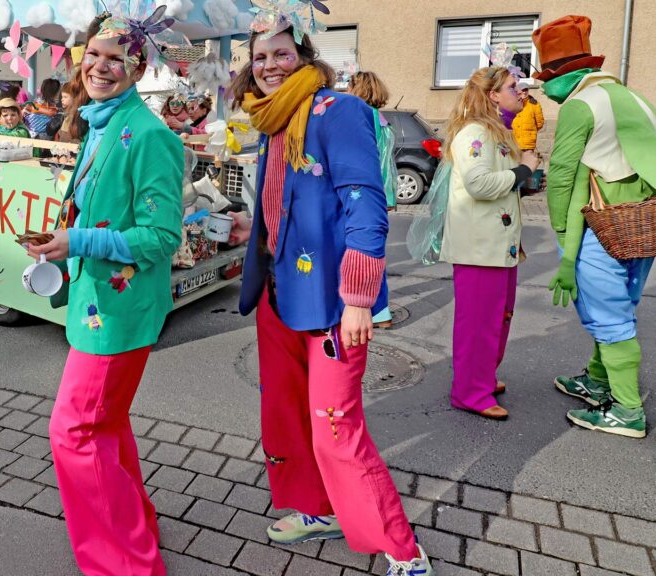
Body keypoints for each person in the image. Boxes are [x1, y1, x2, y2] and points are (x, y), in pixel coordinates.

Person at [225, 18, 433, 575]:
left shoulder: (337, 111)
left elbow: (365, 202)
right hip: (278, 291)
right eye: (260, 55)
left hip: (332, 299)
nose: (270, 64)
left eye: (281, 53)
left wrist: (361, 297)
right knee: (285, 414)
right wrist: (256, 232)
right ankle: (317, 509)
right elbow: (288, 201)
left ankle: (402, 550)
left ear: (304, 55)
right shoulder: (272, 118)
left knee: (336, 426)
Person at [25, 11, 183, 576]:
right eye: (94, 54)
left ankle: (125, 563)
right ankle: (135, 528)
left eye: (117, 57)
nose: (101, 65)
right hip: (98, 304)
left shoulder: (150, 135)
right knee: (106, 425)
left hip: (120, 311)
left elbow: (163, 235)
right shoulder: (100, 123)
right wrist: (61, 239)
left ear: (138, 67)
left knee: (75, 431)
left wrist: (78, 239)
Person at [537, 15, 656, 438]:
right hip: (642, 227)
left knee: (609, 319)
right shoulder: (629, 96)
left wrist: (565, 241)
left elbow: (563, 175)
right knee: (618, 309)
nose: (543, 89)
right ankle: (599, 381)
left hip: (603, 228)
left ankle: (626, 410)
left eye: (546, 79)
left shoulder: (581, 105)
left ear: (565, 74)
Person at [439, 67, 538, 420]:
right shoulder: (475, 132)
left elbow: (501, 182)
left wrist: (525, 175)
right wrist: (524, 170)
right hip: (479, 248)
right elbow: (480, 185)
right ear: (493, 95)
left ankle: (481, 377)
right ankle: (469, 392)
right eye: (513, 87)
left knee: (498, 319)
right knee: (478, 325)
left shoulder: (497, 131)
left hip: (498, 246)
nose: (521, 91)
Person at [347, 71, 398, 327]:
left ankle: (377, 310)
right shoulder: (381, 118)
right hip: (379, 192)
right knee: (374, 251)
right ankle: (380, 310)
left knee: (364, 252)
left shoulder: (363, 116)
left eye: (349, 85)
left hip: (363, 192)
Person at [511, 80, 545, 152]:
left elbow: (540, 123)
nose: (524, 92)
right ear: (517, 91)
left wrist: (530, 129)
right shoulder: (512, 103)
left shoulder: (534, 104)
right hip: (514, 141)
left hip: (528, 141)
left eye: (526, 90)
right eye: (522, 90)